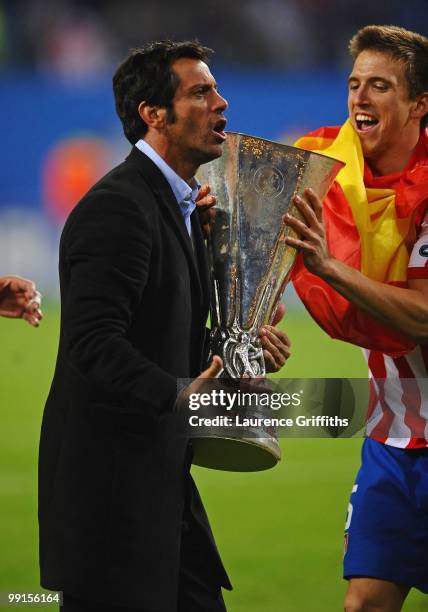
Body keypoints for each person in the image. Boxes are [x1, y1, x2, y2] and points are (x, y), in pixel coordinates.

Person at [39, 40, 289, 612]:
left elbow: (161, 329)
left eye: (216, 89)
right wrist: (178, 391)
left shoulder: (174, 207)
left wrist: (237, 349)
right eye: (200, 92)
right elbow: (92, 341)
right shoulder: (118, 207)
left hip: (157, 483)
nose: (221, 103)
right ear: (153, 114)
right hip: (109, 498)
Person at [284, 25, 428, 612]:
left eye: (380, 87)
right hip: (393, 438)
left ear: (420, 104)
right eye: (354, 85)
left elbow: (423, 317)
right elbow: (276, 255)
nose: (359, 100)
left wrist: (329, 268)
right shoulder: (331, 171)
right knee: (364, 603)